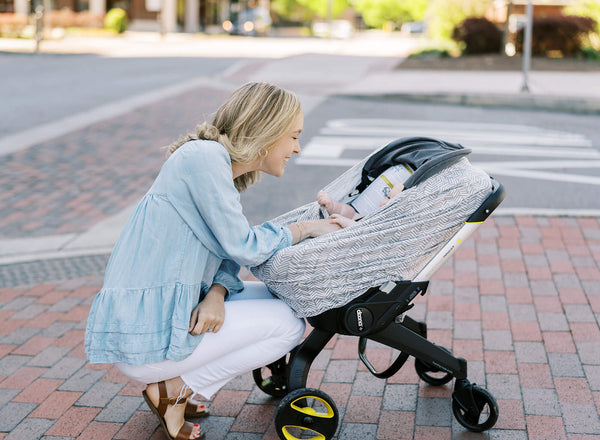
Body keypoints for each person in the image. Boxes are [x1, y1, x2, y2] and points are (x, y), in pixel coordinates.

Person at [84, 82, 342, 440]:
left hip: (171, 308)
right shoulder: (204, 159)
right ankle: (174, 390)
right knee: (287, 325)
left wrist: (217, 294)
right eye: (293, 136)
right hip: (143, 334)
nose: (297, 148)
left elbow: (226, 249)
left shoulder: (211, 162)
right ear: (265, 132)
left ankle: (177, 389)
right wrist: (305, 229)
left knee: (281, 300)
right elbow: (245, 246)